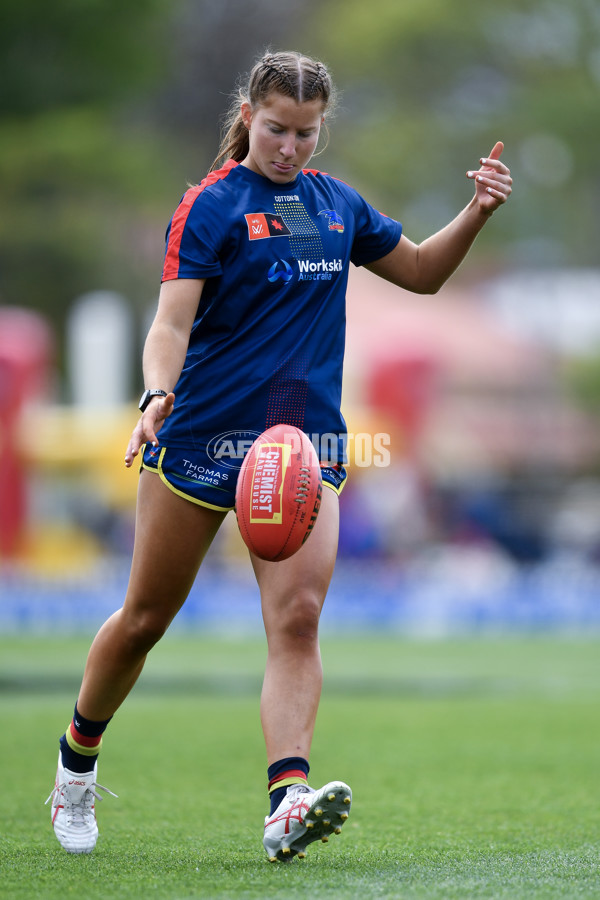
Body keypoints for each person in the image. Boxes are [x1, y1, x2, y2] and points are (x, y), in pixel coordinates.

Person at [46, 49, 512, 861]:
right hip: (200, 440)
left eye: (305, 132)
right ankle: (76, 764)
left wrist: (475, 211)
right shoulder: (210, 207)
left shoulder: (340, 207)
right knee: (146, 619)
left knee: (297, 620)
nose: (290, 147)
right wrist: (155, 395)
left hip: (302, 445)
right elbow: (168, 327)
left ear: (320, 127)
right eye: (275, 129)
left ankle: (286, 800)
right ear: (248, 117)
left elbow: (424, 275)